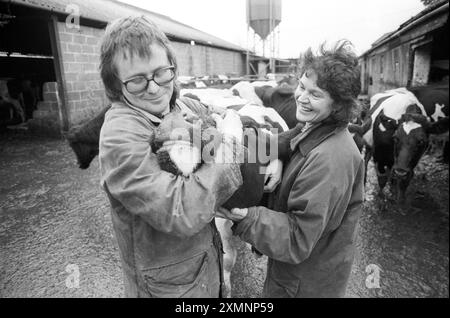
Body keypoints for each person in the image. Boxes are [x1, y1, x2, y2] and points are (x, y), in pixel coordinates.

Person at [98, 16, 251, 298]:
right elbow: (182, 211)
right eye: (136, 81)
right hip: (169, 289)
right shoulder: (118, 137)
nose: (154, 88)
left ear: (172, 67)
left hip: (204, 270)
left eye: (161, 73)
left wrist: (275, 154)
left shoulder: (180, 105)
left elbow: (233, 123)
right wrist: (230, 145)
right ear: (116, 85)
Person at [217, 40, 365, 298]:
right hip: (299, 275)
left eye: (315, 94)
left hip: (306, 286)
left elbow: (297, 238)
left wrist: (247, 217)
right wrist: (235, 133)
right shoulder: (315, 129)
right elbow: (285, 141)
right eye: (301, 86)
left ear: (339, 106)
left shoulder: (330, 160)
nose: (301, 98)